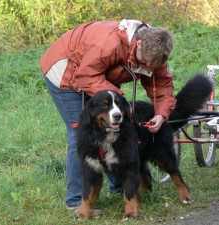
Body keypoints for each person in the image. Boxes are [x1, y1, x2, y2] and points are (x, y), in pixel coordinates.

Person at [40, 19, 177, 212]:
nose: (147, 65)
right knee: (79, 132)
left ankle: (118, 185)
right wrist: (120, 101)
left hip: (96, 75)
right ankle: (75, 200)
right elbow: (87, 76)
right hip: (66, 71)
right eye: (144, 61)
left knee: (114, 128)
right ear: (138, 43)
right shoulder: (109, 43)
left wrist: (161, 114)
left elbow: (162, 88)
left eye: (152, 64)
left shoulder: (154, 52)